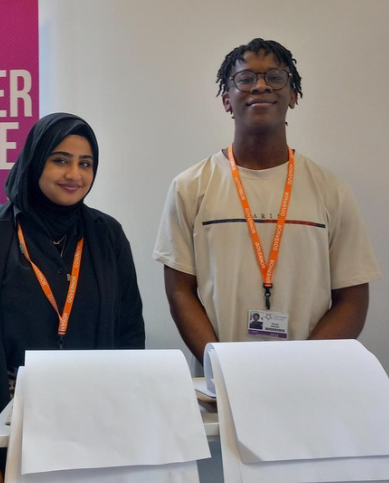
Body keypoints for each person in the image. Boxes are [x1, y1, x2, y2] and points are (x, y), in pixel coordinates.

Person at [153, 38, 381, 365]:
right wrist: (223, 366)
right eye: (245, 79)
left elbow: (353, 299)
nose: (260, 86)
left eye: (275, 77)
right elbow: (180, 293)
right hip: (221, 384)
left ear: (293, 95)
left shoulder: (332, 190)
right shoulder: (189, 187)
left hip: (308, 384)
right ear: (226, 100)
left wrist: (300, 368)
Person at [0, 112, 145, 483]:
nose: (75, 175)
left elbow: (130, 335)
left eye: (85, 163)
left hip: (93, 429)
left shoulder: (107, 236)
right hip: (5, 430)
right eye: (60, 160)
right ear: (36, 160)